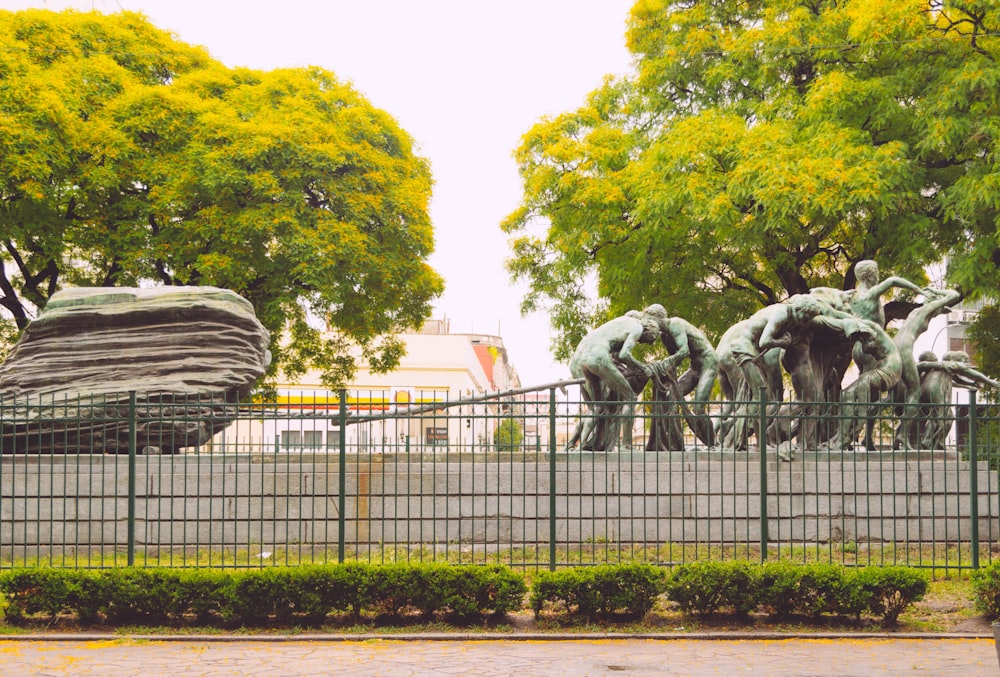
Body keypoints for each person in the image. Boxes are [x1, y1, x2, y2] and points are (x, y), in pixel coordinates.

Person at [565, 310, 659, 451]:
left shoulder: (621, 321)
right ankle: (626, 446)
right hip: (597, 357)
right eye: (647, 339)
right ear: (648, 330)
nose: (642, 342)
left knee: (595, 408)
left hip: (577, 361)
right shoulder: (637, 327)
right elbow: (624, 354)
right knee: (631, 398)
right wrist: (643, 367)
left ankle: (574, 446)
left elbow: (618, 356)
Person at [642, 304, 718, 446]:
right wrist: (661, 372)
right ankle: (671, 440)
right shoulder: (664, 336)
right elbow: (675, 361)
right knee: (670, 395)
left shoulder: (675, 324)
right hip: (694, 367)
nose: (648, 325)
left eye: (650, 321)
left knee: (698, 407)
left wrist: (663, 364)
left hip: (708, 363)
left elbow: (683, 352)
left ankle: (713, 444)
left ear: (658, 318)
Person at [917, 350, 999, 450]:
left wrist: (969, 385)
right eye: (964, 361)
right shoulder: (951, 364)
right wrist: (990, 382)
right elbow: (972, 373)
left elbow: (953, 380)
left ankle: (927, 441)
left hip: (924, 391)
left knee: (935, 416)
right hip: (935, 391)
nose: (964, 364)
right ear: (956, 359)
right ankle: (938, 444)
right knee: (947, 417)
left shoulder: (939, 368)